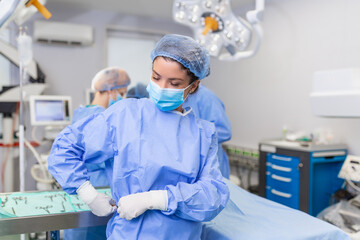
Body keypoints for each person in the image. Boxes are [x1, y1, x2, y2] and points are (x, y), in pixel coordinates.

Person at [48, 34, 229, 240]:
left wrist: (157, 199)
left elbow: (214, 195)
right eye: (156, 77)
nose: (162, 87)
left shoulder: (203, 134)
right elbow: (66, 147)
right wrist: (87, 193)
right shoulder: (126, 115)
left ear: (194, 86)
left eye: (174, 83)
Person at [64, 67, 131, 240]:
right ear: (111, 91)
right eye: (122, 94)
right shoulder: (105, 118)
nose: (123, 99)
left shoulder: (81, 113)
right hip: (100, 190)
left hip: (81, 193)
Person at [183, 84, 232, 178]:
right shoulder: (168, 99)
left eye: (175, 82)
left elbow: (225, 131)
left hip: (209, 168)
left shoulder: (204, 96)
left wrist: (190, 137)